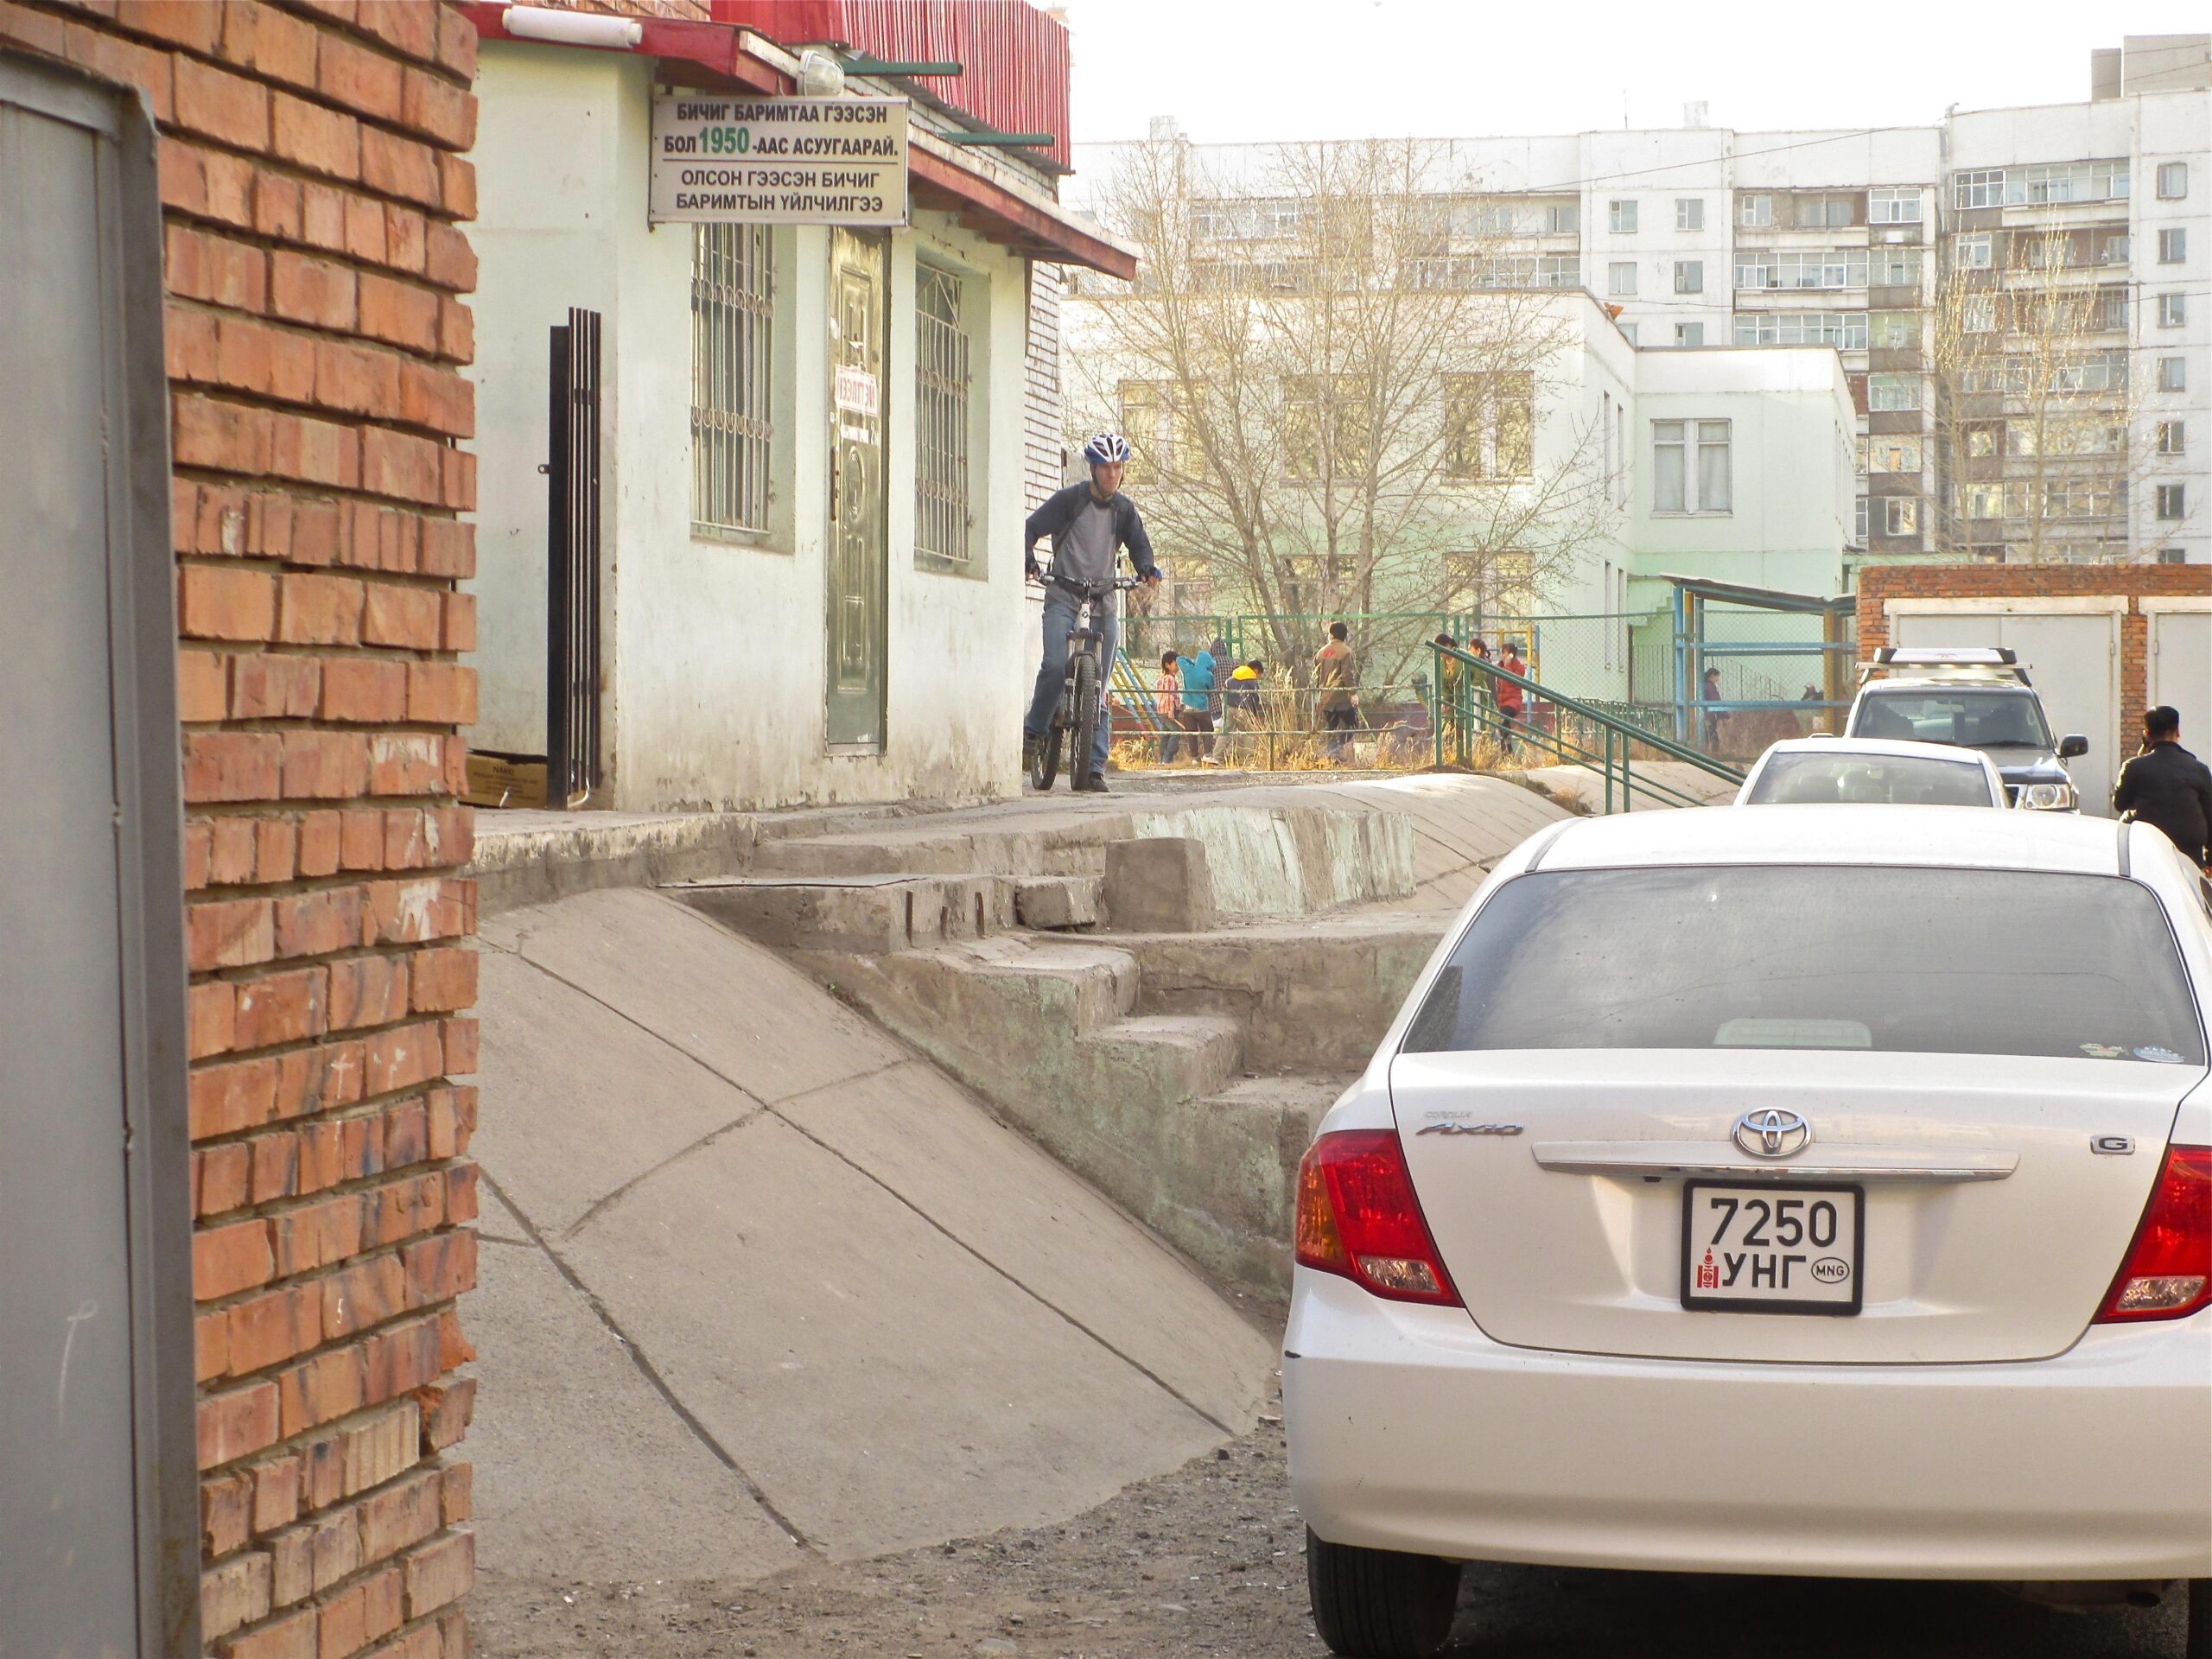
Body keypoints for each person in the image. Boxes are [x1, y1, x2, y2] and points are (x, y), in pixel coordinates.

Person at [1023, 432, 1162, 792]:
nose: (1113, 474)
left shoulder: (1124, 510)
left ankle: (1095, 766)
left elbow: (1139, 545)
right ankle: (1034, 731)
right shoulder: (1071, 501)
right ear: (1093, 469)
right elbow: (1032, 528)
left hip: (1103, 600)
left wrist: (1147, 569)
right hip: (1064, 596)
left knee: (1099, 684)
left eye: (1118, 468)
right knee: (1055, 664)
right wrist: (1027, 560)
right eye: (1106, 468)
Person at [2113, 705, 2212, 869]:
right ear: (2177, 731)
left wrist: (2143, 752)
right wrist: (2209, 859)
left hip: (2147, 846)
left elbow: (2120, 804)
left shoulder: (2133, 767)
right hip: (2189, 851)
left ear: (2147, 734)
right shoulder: (2198, 768)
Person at [1315, 620, 1360, 760]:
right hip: (1341, 698)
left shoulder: (1320, 653)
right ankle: (1339, 751)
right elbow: (1347, 674)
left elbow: (1317, 675)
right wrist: (1353, 693)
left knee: (1330, 727)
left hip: (1325, 697)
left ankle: (1332, 754)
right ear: (1344, 635)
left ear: (1331, 634)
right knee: (1352, 724)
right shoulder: (1346, 651)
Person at [1178, 640, 1218, 764]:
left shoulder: (1188, 670)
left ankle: (1194, 758)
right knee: (1207, 730)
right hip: (1202, 707)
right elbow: (1211, 690)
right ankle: (1207, 754)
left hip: (1188, 708)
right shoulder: (1208, 675)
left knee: (1191, 733)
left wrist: (1191, 663)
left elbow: (1179, 658)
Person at [1223, 658, 1265, 767]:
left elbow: (1224, 692)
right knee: (1247, 734)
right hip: (1244, 709)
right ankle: (1249, 760)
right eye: (1258, 674)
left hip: (1229, 707)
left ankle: (1218, 757)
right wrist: (1254, 713)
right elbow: (1255, 698)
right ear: (1256, 671)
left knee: (1226, 733)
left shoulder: (1231, 679)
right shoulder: (1252, 680)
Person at [1497, 638, 1529, 756]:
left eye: (1503, 653)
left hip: (1513, 701)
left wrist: (1508, 666)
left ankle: (1507, 751)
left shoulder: (1519, 667)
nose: (1502, 656)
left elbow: (1514, 681)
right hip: (1502, 702)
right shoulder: (1500, 666)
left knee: (1503, 720)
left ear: (1510, 654)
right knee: (1503, 725)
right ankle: (1507, 753)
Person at [1154, 650, 1183, 765]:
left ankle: (1162, 758)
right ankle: (1167, 757)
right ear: (1167, 665)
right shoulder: (1170, 679)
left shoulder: (1161, 679)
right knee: (1176, 732)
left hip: (1161, 710)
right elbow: (1170, 695)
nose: (1178, 668)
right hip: (1168, 710)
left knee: (1165, 733)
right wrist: (1171, 711)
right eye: (1176, 665)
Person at [1701, 664, 1724, 750]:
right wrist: (1724, 715)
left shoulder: (1706, 685)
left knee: (1707, 737)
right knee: (1713, 737)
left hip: (1706, 715)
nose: (1717, 679)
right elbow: (1716, 701)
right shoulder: (1710, 687)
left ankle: (1707, 753)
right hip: (1710, 716)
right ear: (1712, 676)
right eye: (1717, 676)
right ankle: (1715, 755)